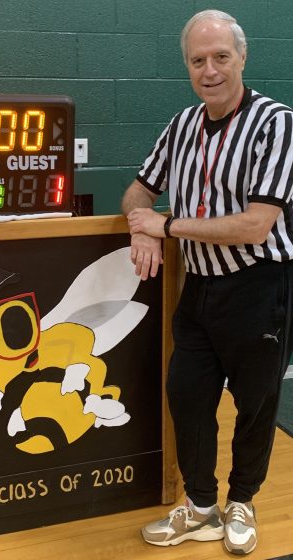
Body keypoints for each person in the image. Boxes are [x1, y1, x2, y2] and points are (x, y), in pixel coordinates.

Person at [122, 9, 293, 556]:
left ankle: (241, 500)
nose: (210, 70)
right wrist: (140, 228)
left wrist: (166, 225)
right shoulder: (181, 125)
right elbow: (138, 191)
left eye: (221, 57)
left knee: (256, 402)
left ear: (243, 57)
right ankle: (200, 508)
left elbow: (255, 223)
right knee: (188, 395)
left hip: (259, 285)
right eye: (198, 60)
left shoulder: (276, 122)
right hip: (198, 288)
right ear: (187, 66)